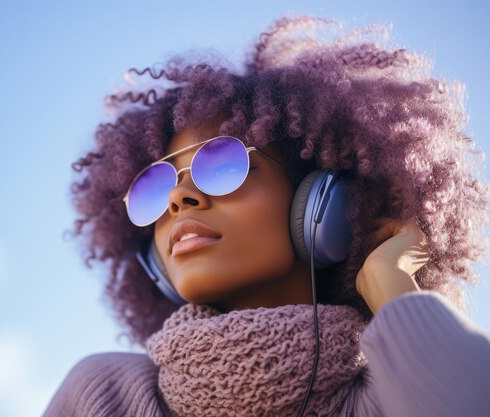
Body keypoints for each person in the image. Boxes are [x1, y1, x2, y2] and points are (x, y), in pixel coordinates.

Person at [42, 16, 490, 417]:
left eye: (221, 166)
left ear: (322, 201)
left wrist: (393, 287)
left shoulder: (389, 399)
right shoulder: (102, 396)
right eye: (154, 188)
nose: (178, 197)